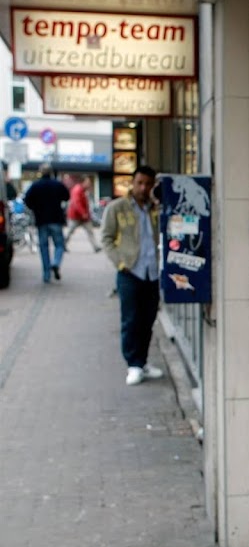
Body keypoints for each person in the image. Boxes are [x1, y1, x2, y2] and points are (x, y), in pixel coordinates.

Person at [100, 165, 165, 386]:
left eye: (148, 183)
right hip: (130, 272)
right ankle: (133, 364)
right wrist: (120, 263)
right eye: (140, 183)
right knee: (130, 320)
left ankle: (143, 361)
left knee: (148, 320)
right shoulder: (118, 207)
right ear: (133, 182)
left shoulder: (155, 208)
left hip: (152, 273)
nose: (143, 187)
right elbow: (106, 238)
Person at [23, 163, 69, 283]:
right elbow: (67, 196)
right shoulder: (57, 185)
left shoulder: (35, 186)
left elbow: (27, 200)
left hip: (41, 220)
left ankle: (46, 274)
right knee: (59, 244)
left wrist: (35, 208)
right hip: (56, 219)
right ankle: (56, 262)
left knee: (44, 247)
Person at [65, 177, 102, 252]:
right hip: (76, 216)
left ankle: (95, 247)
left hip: (84, 217)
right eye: (88, 183)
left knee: (90, 231)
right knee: (70, 231)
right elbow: (77, 203)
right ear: (83, 182)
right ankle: (62, 244)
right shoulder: (77, 190)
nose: (89, 184)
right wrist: (83, 213)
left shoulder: (84, 191)